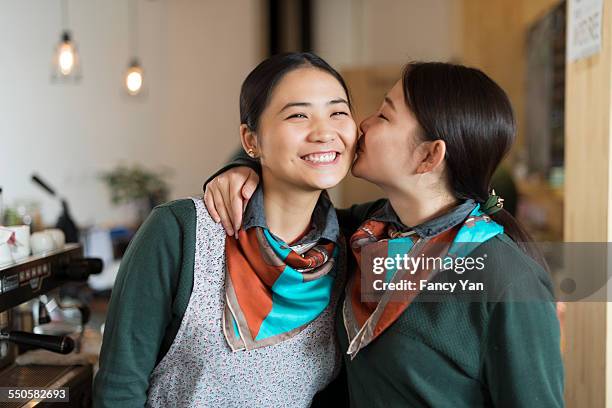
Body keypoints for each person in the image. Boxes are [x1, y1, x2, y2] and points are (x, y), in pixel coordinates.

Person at [204, 61, 565, 407]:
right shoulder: (366, 232)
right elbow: (289, 204)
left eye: (384, 115)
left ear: (428, 156)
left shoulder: (506, 278)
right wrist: (244, 168)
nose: (362, 124)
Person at [93, 52, 358, 407]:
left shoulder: (353, 244)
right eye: (298, 114)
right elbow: (119, 388)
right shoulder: (179, 232)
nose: (325, 132)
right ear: (251, 141)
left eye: (338, 112)